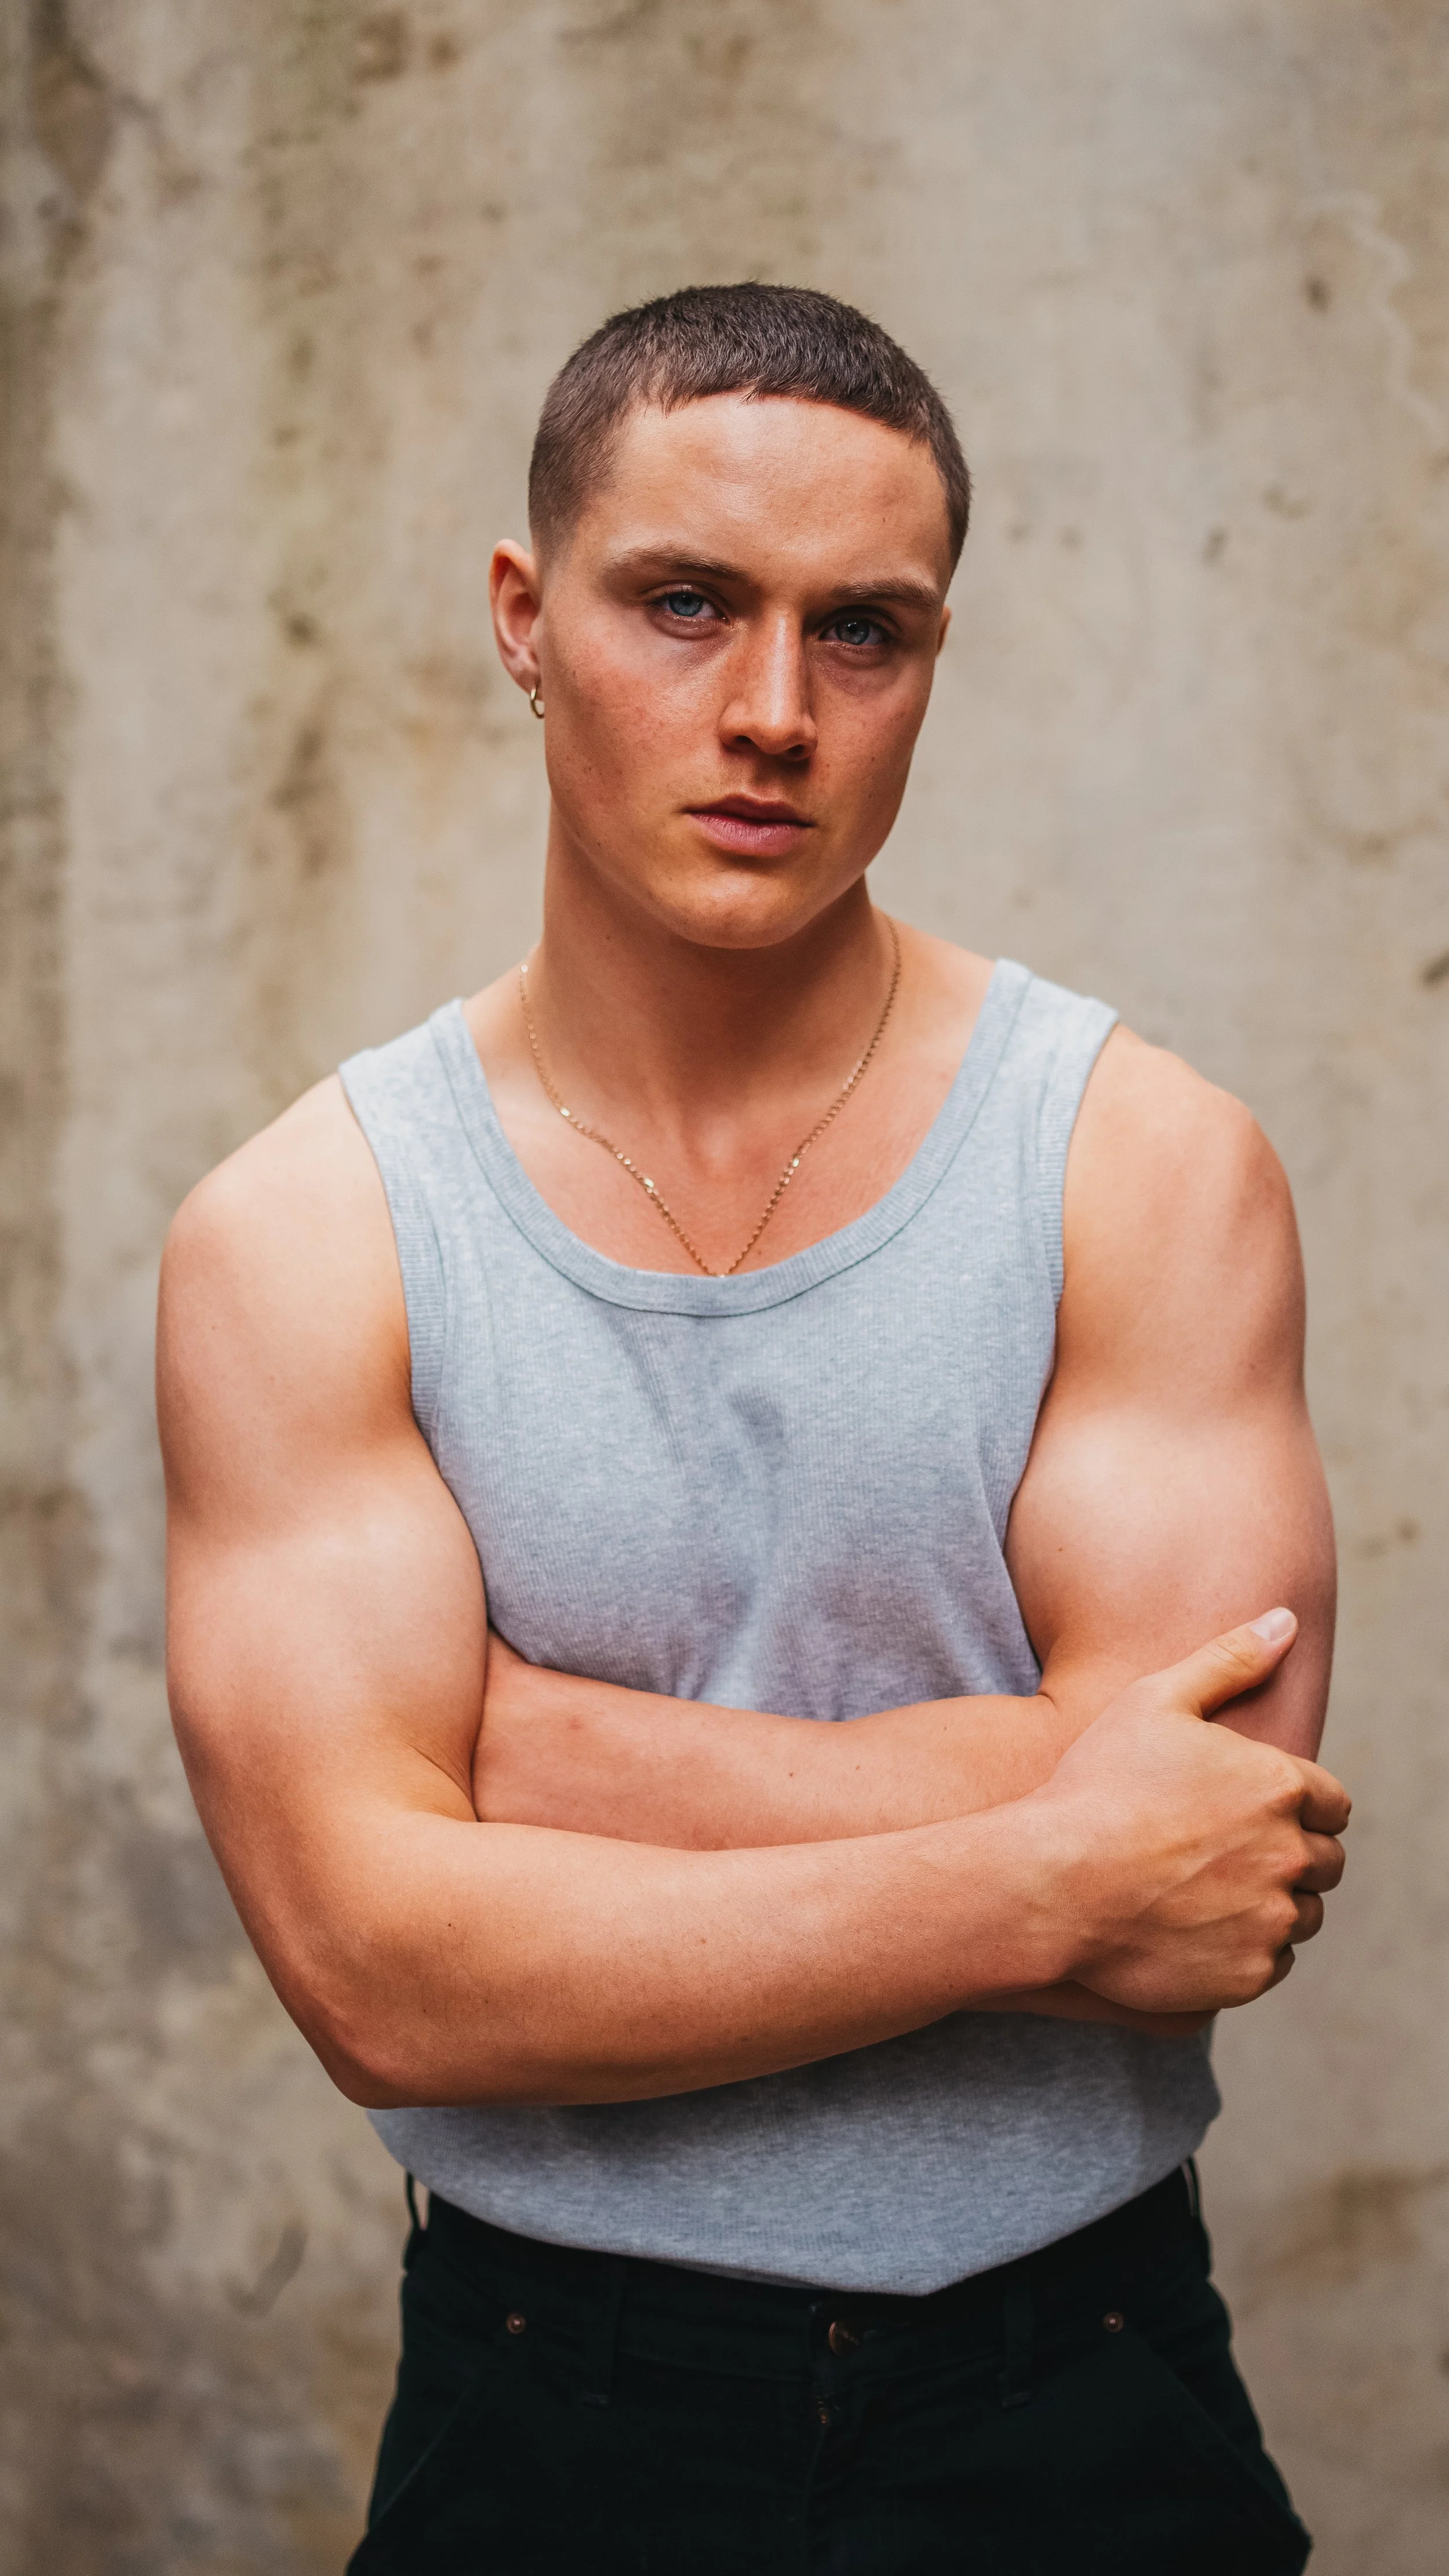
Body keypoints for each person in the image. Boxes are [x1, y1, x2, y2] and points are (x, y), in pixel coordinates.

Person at [158, 285, 1347, 2574]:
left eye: (861, 631)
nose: (773, 713)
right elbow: (382, 1980)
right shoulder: (309, 1234)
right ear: (526, 619)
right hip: (551, 2402)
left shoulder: (1139, 1164)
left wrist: (524, 1752)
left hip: (1079, 2381)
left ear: (931, 658)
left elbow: (1213, 1865)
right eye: (684, 604)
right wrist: (1048, 1855)